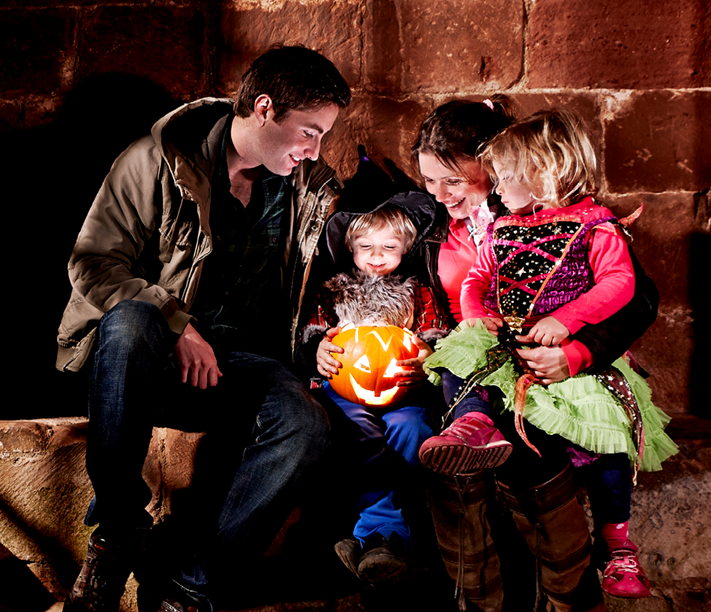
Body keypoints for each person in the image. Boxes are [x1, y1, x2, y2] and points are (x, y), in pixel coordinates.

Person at [56, 45, 350, 612]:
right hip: (151, 357)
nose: (316, 151)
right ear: (264, 108)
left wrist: (317, 343)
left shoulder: (304, 187)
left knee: (306, 428)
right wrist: (178, 323)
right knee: (131, 322)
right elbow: (92, 264)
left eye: (323, 136)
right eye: (308, 133)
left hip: (242, 362)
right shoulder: (154, 159)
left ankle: (193, 588)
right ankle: (118, 533)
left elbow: (311, 289)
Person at [410, 98, 662, 612]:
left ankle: (570, 593)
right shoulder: (429, 223)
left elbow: (637, 297)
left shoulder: (573, 221)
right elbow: (376, 247)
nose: (440, 196)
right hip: (480, 365)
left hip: (552, 360)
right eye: (430, 182)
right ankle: (479, 599)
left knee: (533, 449)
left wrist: (577, 350)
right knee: (443, 453)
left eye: (453, 181)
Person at [299, 193, 448, 591]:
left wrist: (427, 358)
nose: (376, 257)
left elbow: (434, 337)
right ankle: (384, 537)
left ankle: (390, 535)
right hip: (345, 393)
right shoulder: (334, 291)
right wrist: (318, 350)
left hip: (403, 393)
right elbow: (313, 335)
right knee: (356, 433)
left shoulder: (417, 291)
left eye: (389, 248)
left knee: (411, 431)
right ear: (350, 247)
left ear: (407, 247)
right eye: (366, 247)